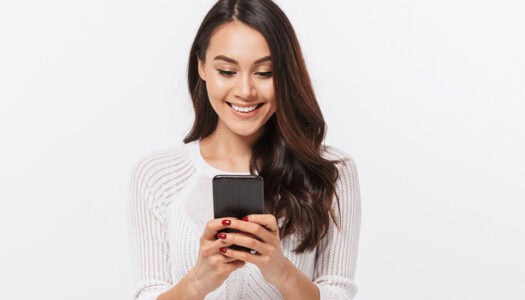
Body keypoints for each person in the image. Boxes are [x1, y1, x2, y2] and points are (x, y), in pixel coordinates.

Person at [128, 0, 361, 299]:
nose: (246, 91)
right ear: (201, 66)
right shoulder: (157, 175)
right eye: (227, 71)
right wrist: (199, 281)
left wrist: (281, 271)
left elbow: (337, 291)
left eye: (264, 73)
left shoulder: (331, 171)